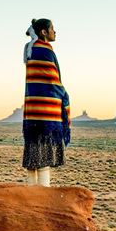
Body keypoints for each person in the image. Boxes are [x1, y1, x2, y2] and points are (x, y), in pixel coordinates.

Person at [22, 18, 70, 186]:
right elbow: (52, 81)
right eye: (52, 29)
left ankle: (30, 193)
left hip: (32, 111)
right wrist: (64, 95)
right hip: (46, 113)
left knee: (33, 151)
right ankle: (43, 194)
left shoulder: (31, 49)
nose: (54, 32)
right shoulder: (44, 51)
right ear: (43, 32)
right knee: (44, 154)